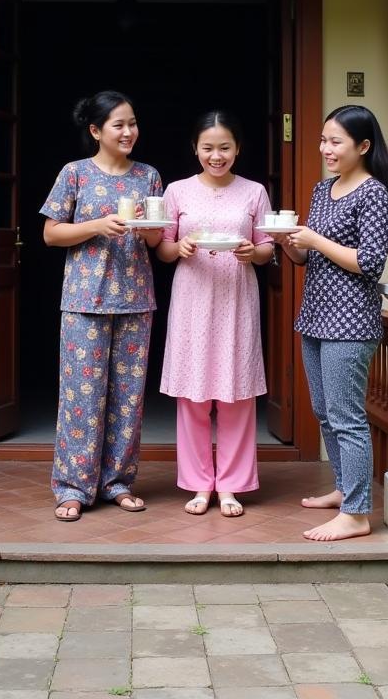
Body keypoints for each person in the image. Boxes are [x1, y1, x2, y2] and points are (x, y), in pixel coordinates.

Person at [275, 104, 388, 541]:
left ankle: (356, 514)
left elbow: (369, 263)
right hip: (315, 316)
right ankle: (344, 490)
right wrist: (290, 243)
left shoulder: (374, 194)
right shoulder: (321, 189)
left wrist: (315, 238)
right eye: (322, 140)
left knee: (346, 415)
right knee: (323, 411)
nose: (326, 149)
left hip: (350, 322)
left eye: (336, 141)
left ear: (363, 146)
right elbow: (306, 257)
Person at [40, 90, 164, 522]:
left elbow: (156, 238)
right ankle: (73, 487)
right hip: (84, 301)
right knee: (81, 398)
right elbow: (51, 234)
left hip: (135, 300)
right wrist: (96, 225)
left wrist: (150, 229)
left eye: (133, 123)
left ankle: (118, 483)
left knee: (128, 399)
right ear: (96, 131)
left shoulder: (148, 176)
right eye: (119, 125)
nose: (129, 131)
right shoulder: (75, 173)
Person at [157, 111, 275, 517]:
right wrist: (181, 247)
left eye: (225, 147)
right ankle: (198, 484)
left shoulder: (254, 192)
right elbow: (163, 249)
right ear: (195, 149)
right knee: (192, 395)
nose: (216, 155)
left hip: (237, 299)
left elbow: (266, 249)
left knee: (237, 393)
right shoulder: (176, 191)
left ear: (238, 148)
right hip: (192, 299)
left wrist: (251, 251)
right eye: (208, 148)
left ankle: (230, 485)